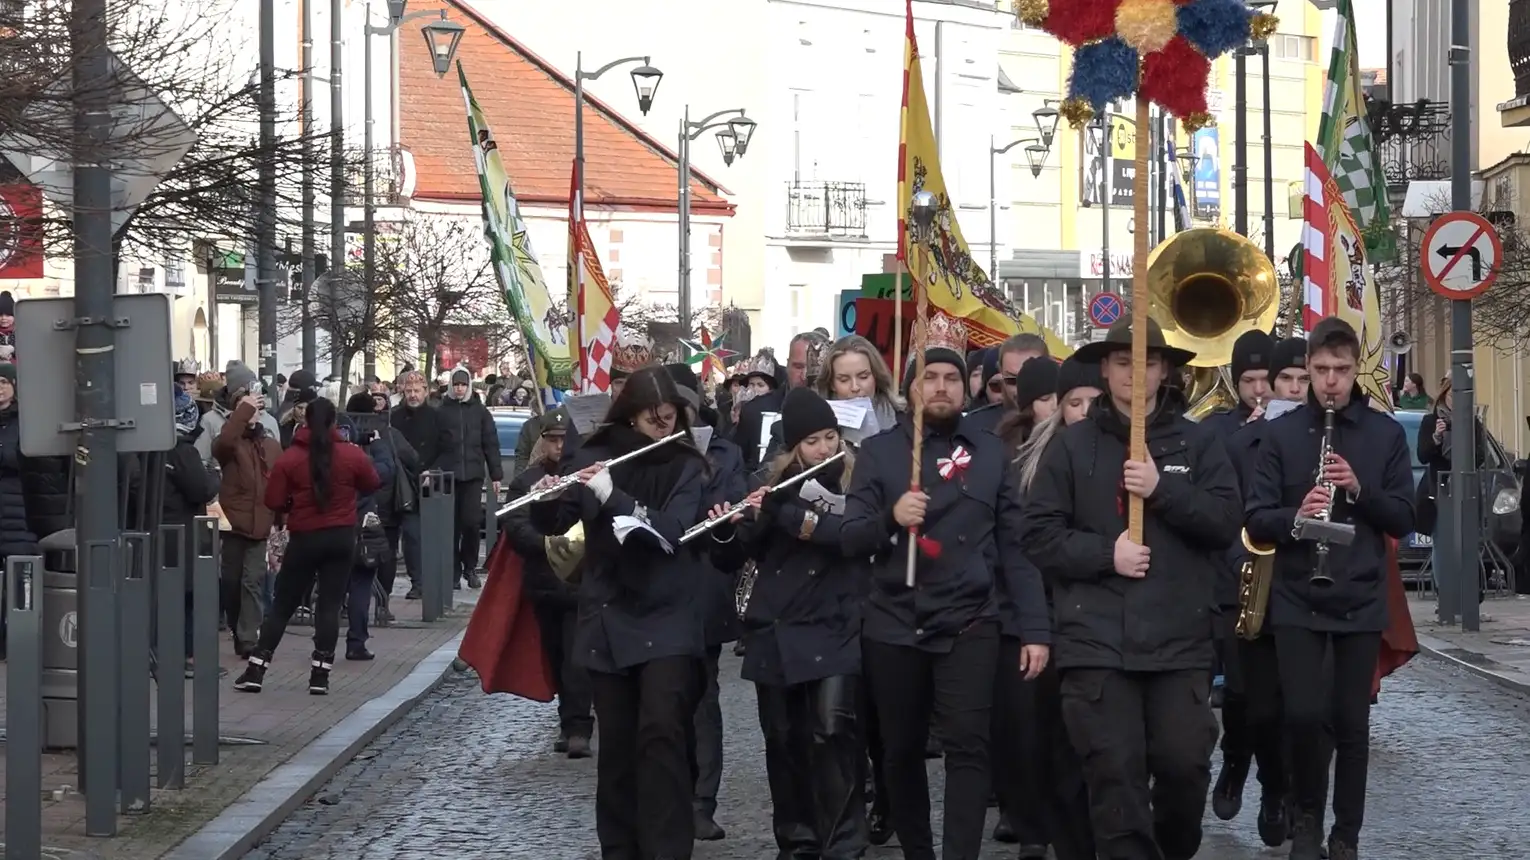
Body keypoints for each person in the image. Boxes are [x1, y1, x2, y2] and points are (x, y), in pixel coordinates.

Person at [1021, 317, 1241, 860]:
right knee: (1114, 778)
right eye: (1122, 362)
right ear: (1105, 368)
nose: (1132, 373)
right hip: (1097, 643)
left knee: (1183, 767)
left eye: (1144, 361)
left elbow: (1224, 521)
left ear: (1163, 369)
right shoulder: (1071, 448)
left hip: (1179, 642)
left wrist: (1163, 490)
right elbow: (1039, 535)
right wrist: (1105, 555)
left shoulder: (1200, 441)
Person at [842, 313, 1050, 860]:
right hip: (894, 621)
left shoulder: (989, 453)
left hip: (970, 620)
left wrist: (1034, 629)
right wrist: (891, 516)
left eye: (951, 378)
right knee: (901, 750)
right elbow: (851, 535)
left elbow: (1016, 547)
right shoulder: (881, 453)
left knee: (968, 749)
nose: (940, 387)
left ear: (967, 386)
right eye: (929, 377)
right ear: (911, 388)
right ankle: (917, 852)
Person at [1244, 317, 1415, 860]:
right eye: (1321, 371)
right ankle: (1307, 822)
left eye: (1341, 370)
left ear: (1353, 371)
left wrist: (1359, 490)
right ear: (1309, 369)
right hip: (1296, 593)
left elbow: (1403, 518)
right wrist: (1297, 516)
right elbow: (1255, 518)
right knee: (1302, 713)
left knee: (1350, 721)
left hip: (1360, 593)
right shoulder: (1282, 433)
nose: (1331, 382)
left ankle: (1346, 834)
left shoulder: (1383, 434)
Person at [528, 366, 709, 859]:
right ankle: (621, 849)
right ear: (630, 415)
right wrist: (547, 496)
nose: (663, 428)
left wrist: (615, 495)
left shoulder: (687, 464)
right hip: (609, 613)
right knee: (620, 749)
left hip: (666, 613)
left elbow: (671, 530)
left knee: (662, 735)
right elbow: (559, 523)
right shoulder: (595, 454)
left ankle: (667, 849)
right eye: (654, 420)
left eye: (670, 419)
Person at [706, 386, 868, 859]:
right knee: (784, 740)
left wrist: (786, 512)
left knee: (833, 734)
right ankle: (797, 840)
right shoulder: (769, 485)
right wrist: (728, 528)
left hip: (836, 623)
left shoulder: (855, 483)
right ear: (794, 445)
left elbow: (853, 537)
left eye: (830, 437)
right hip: (775, 627)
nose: (824, 449)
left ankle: (843, 844)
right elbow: (735, 556)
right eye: (813, 441)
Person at [1009, 356, 1103, 860]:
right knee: (1056, 740)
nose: (1085, 412)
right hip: (1055, 613)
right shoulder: (1032, 463)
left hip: (1111, 617)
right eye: (1074, 403)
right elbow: (1026, 549)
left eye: (1095, 402)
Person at [1220, 334, 1310, 849]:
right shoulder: (1239, 445)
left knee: (1308, 712)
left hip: (1313, 595)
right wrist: (1244, 567)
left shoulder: (1329, 437)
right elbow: (1226, 519)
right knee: (1262, 710)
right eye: (1287, 381)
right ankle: (1272, 785)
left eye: (1303, 380)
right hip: (1257, 593)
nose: (1296, 390)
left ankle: (1303, 809)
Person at [812, 333, 900, 845]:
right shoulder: (819, 431)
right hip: (835, 580)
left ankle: (889, 794)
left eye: (861, 377)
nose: (853, 387)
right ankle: (854, 802)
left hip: (888, 577)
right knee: (842, 709)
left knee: (885, 709)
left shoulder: (897, 422)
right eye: (843, 379)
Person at [234, 398, 381, 695]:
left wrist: (292, 502)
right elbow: (372, 482)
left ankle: (256, 669)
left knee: (283, 605)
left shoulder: (291, 458)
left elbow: (273, 500)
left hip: (305, 537)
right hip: (340, 536)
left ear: (305, 422)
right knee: (328, 606)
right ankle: (320, 675)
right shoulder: (351, 455)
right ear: (333, 423)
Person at [665, 363, 745, 843]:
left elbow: (723, 508)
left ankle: (701, 801)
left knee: (702, 697)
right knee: (660, 702)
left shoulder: (724, 452)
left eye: (682, 409)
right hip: (654, 590)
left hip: (703, 587)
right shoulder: (642, 453)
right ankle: (666, 796)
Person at [1197, 329, 1274, 822]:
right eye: (1250, 380)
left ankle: (1276, 786)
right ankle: (1235, 764)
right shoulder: (1217, 431)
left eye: (1268, 380)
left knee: (1282, 701)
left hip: (1286, 583)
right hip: (1234, 582)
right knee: (1243, 692)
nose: (1260, 390)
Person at [503, 408, 594, 758]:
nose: (558, 446)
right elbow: (515, 525)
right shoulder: (526, 481)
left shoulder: (583, 477)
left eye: (563, 440)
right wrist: (546, 544)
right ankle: (567, 719)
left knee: (576, 657)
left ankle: (578, 727)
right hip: (544, 581)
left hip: (578, 585)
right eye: (552, 440)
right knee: (556, 655)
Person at [213, 383, 284, 659]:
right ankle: (235, 623)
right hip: (233, 524)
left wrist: (281, 517)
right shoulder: (229, 445)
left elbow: (280, 484)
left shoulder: (271, 446)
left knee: (253, 581)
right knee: (231, 581)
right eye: (246, 409)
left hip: (260, 525)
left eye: (255, 409)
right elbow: (226, 440)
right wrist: (242, 410)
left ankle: (246, 637)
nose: (252, 414)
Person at [340, 392, 404, 659]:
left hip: (331, 529)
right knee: (361, 586)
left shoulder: (322, 458)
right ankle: (356, 643)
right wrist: (377, 445)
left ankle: (322, 647)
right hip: (362, 528)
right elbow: (385, 471)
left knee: (331, 591)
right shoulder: (359, 460)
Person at [164, 388, 221, 675]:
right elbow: (200, 488)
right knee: (187, 595)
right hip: (182, 530)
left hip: (155, 528)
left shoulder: (146, 445)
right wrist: (214, 476)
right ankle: (187, 656)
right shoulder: (182, 450)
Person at [436, 368, 503, 590]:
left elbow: (490, 443)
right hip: (448, 476)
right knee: (451, 526)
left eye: (463, 385)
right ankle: (454, 571)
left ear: (469, 386)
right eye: (456, 385)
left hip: (473, 476)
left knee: (471, 523)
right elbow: (434, 445)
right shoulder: (442, 411)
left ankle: (470, 567)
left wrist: (496, 474)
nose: (459, 389)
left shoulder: (480, 412)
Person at [390, 371, 446, 600]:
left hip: (430, 479)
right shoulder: (395, 417)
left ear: (426, 391)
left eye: (417, 391)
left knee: (433, 533)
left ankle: (436, 577)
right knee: (411, 535)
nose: (412, 395)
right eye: (409, 391)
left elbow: (447, 447)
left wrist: (433, 469)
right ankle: (418, 581)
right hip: (403, 481)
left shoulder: (436, 416)